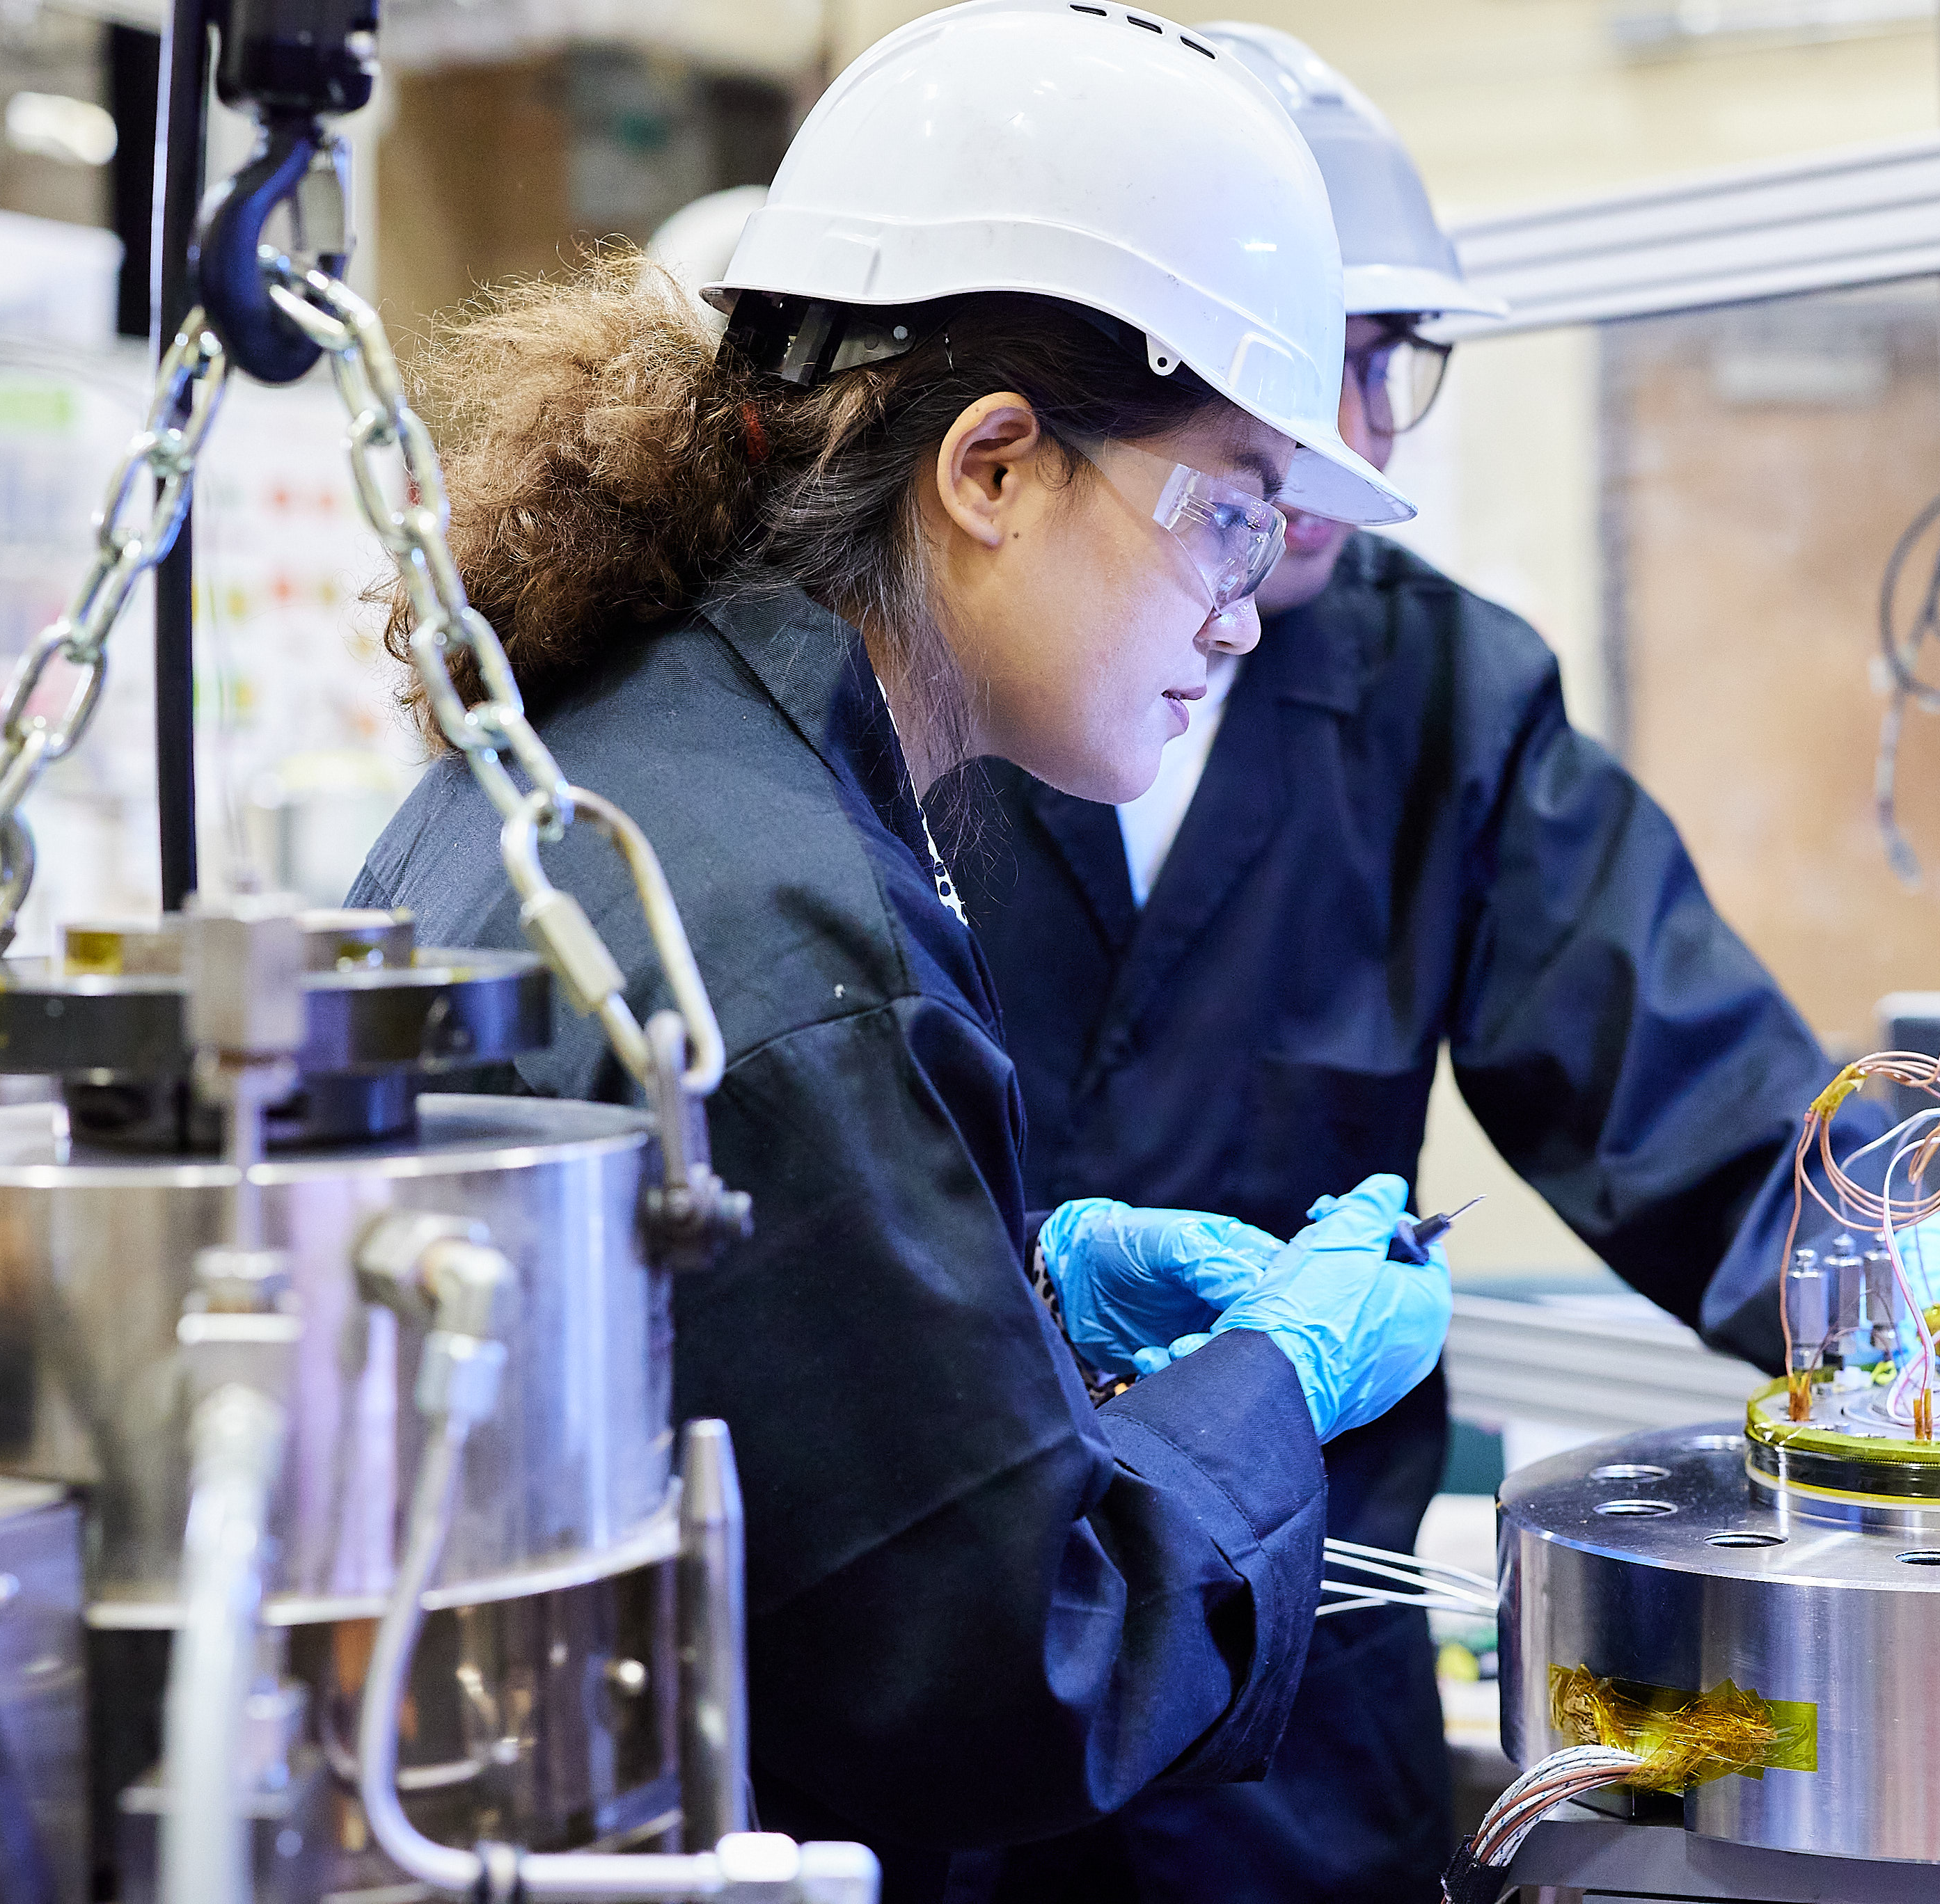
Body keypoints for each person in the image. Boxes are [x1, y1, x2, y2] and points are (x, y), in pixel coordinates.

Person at [343, 5, 1454, 1898]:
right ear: (996, 467)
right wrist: (1274, 1372)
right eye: (1231, 515)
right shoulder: (781, 921)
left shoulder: (629, 758)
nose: (1246, 616)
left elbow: (725, 1366)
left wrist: (1002, 1294)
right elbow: (1027, 1661)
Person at [939, 25, 1891, 1903]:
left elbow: (1696, 1111)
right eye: (1320, 369)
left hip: (1294, 1716)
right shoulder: (917, 689)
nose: (1361, 445)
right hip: (953, 1680)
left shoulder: (1440, 697)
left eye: (1395, 367)